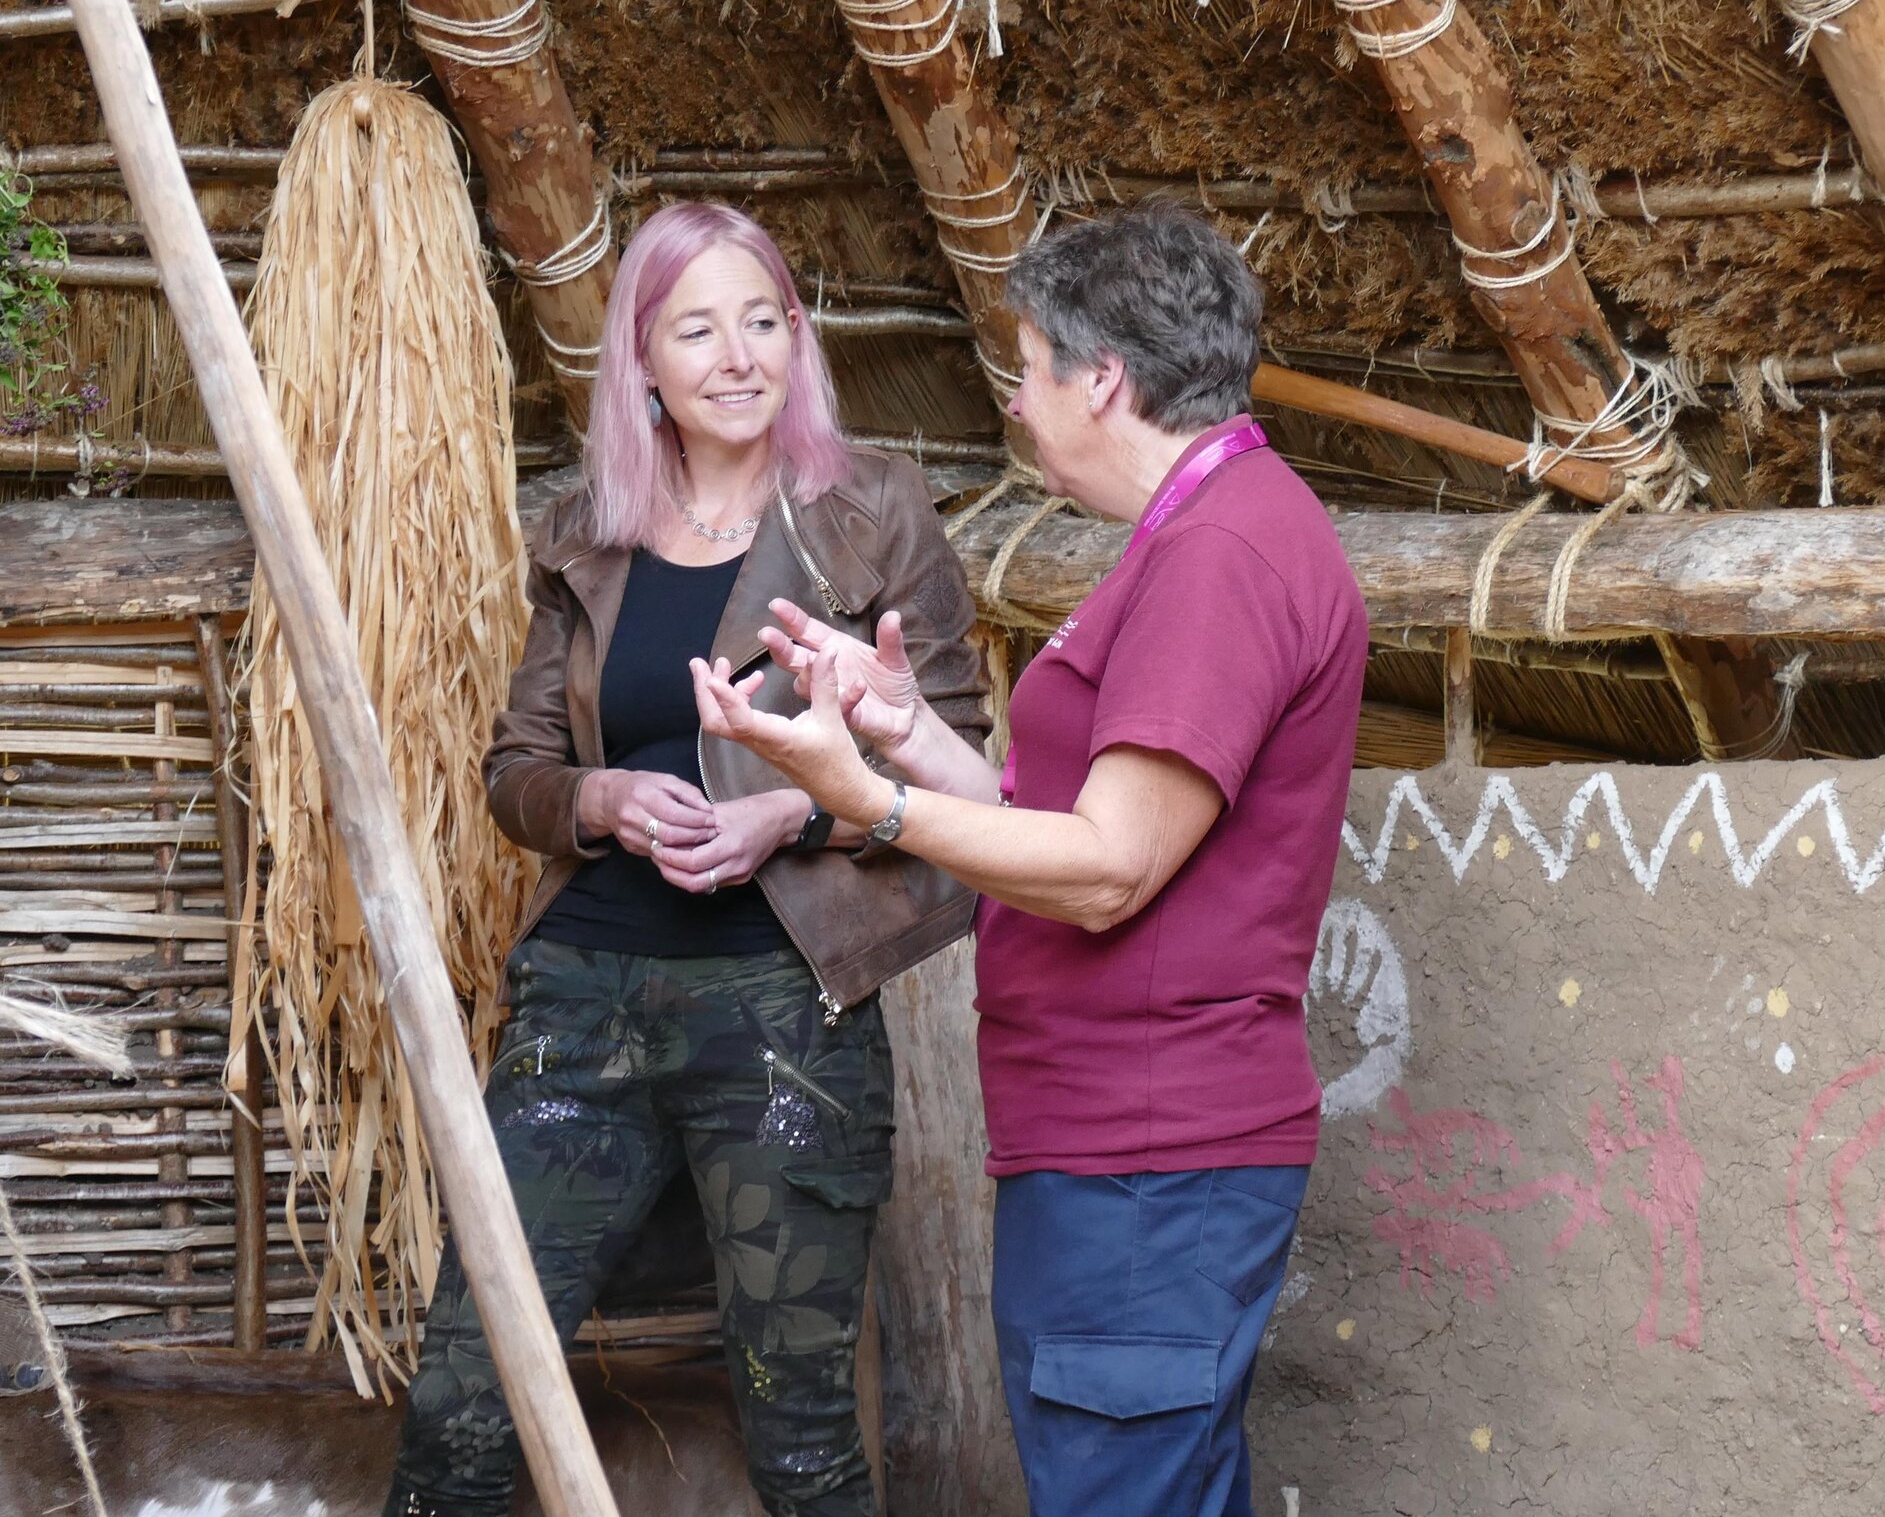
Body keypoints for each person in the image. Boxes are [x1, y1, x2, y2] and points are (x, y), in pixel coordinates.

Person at [692, 206, 1368, 1517]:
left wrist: (862, 806)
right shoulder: (1202, 531)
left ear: (1100, 378)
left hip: (1144, 1158)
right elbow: (1069, 817)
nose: (1019, 405)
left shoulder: (1221, 553)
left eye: (1026, 372)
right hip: (1136, 1152)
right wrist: (902, 739)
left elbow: (1110, 870)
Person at [384, 202, 987, 1517]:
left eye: (763, 321)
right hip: (582, 1001)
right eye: (697, 328)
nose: (736, 355)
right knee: (466, 1399)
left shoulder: (873, 510)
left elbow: (960, 769)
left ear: (799, 342)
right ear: (641, 362)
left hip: (787, 1012)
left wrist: (793, 813)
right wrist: (598, 797)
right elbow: (514, 777)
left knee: (803, 1431)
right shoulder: (588, 529)